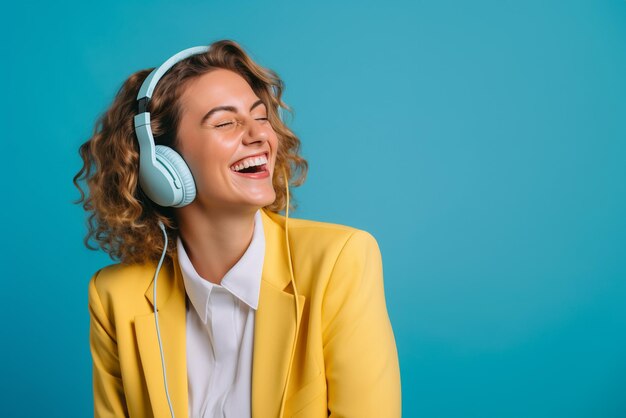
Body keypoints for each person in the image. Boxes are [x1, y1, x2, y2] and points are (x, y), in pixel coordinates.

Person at [74, 39, 401, 418]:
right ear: (161, 167)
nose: (259, 135)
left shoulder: (339, 261)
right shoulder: (115, 295)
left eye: (260, 117)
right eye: (226, 122)